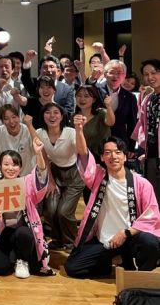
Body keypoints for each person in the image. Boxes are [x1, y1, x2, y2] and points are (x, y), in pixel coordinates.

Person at [64, 134, 160, 278]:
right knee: (72, 268)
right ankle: (113, 261)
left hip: (130, 238)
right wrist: (78, 129)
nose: (113, 156)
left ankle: (140, 275)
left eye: (117, 152)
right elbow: (83, 155)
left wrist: (126, 233)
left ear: (125, 157)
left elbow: (152, 215)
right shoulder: (98, 177)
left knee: (150, 243)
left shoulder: (141, 184)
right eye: (108, 153)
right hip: (105, 241)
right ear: (102, 158)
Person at [0, 140, 54, 278]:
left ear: (20, 167)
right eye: (6, 164)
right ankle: (13, 255)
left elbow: (41, 176)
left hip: (22, 231)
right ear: (0, 166)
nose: (10, 168)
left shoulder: (26, 183)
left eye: (15, 164)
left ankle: (22, 260)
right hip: (2, 234)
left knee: (24, 233)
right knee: (0, 269)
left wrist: (38, 154)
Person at [37, 103, 85, 250]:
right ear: (43, 116)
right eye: (48, 112)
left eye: (56, 112)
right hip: (54, 173)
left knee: (64, 211)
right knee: (50, 210)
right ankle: (57, 239)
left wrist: (79, 130)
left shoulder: (70, 132)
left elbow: (83, 152)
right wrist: (50, 181)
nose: (52, 116)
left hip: (74, 175)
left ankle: (71, 243)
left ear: (62, 116)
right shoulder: (40, 133)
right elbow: (44, 158)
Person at [95, 60, 138, 154]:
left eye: (119, 73)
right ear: (105, 74)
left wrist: (131, 147)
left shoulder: (130, 97)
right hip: (96, 141)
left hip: (120, 142)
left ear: (124, 76)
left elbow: (132, 123)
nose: (115, 76)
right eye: (112, 72)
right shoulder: (95, 91)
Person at [132, 59, 160, 202]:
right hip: (152, 155)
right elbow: (143, 126)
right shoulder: (149, 98)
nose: (150, 77)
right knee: (154, 196)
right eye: (146, 74)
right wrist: (145, 151)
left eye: (154, 73)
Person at [21, 53, 75, 118]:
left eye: (51, 67)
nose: (48, 70)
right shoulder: (35, 85)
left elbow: (69, 111)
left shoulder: (67, 89)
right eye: (45, 67)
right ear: (40, 70)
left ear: (58, 71)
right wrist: (27, 61)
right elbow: (26, 79)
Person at [74, 85, 114, 161]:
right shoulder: (74, 117)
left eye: (86, 96)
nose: (82, 99)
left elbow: (111, 122)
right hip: (82, 158)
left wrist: (108, 106)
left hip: (101, 157)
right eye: (79, 96)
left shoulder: (101, 113)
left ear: (94, 100)